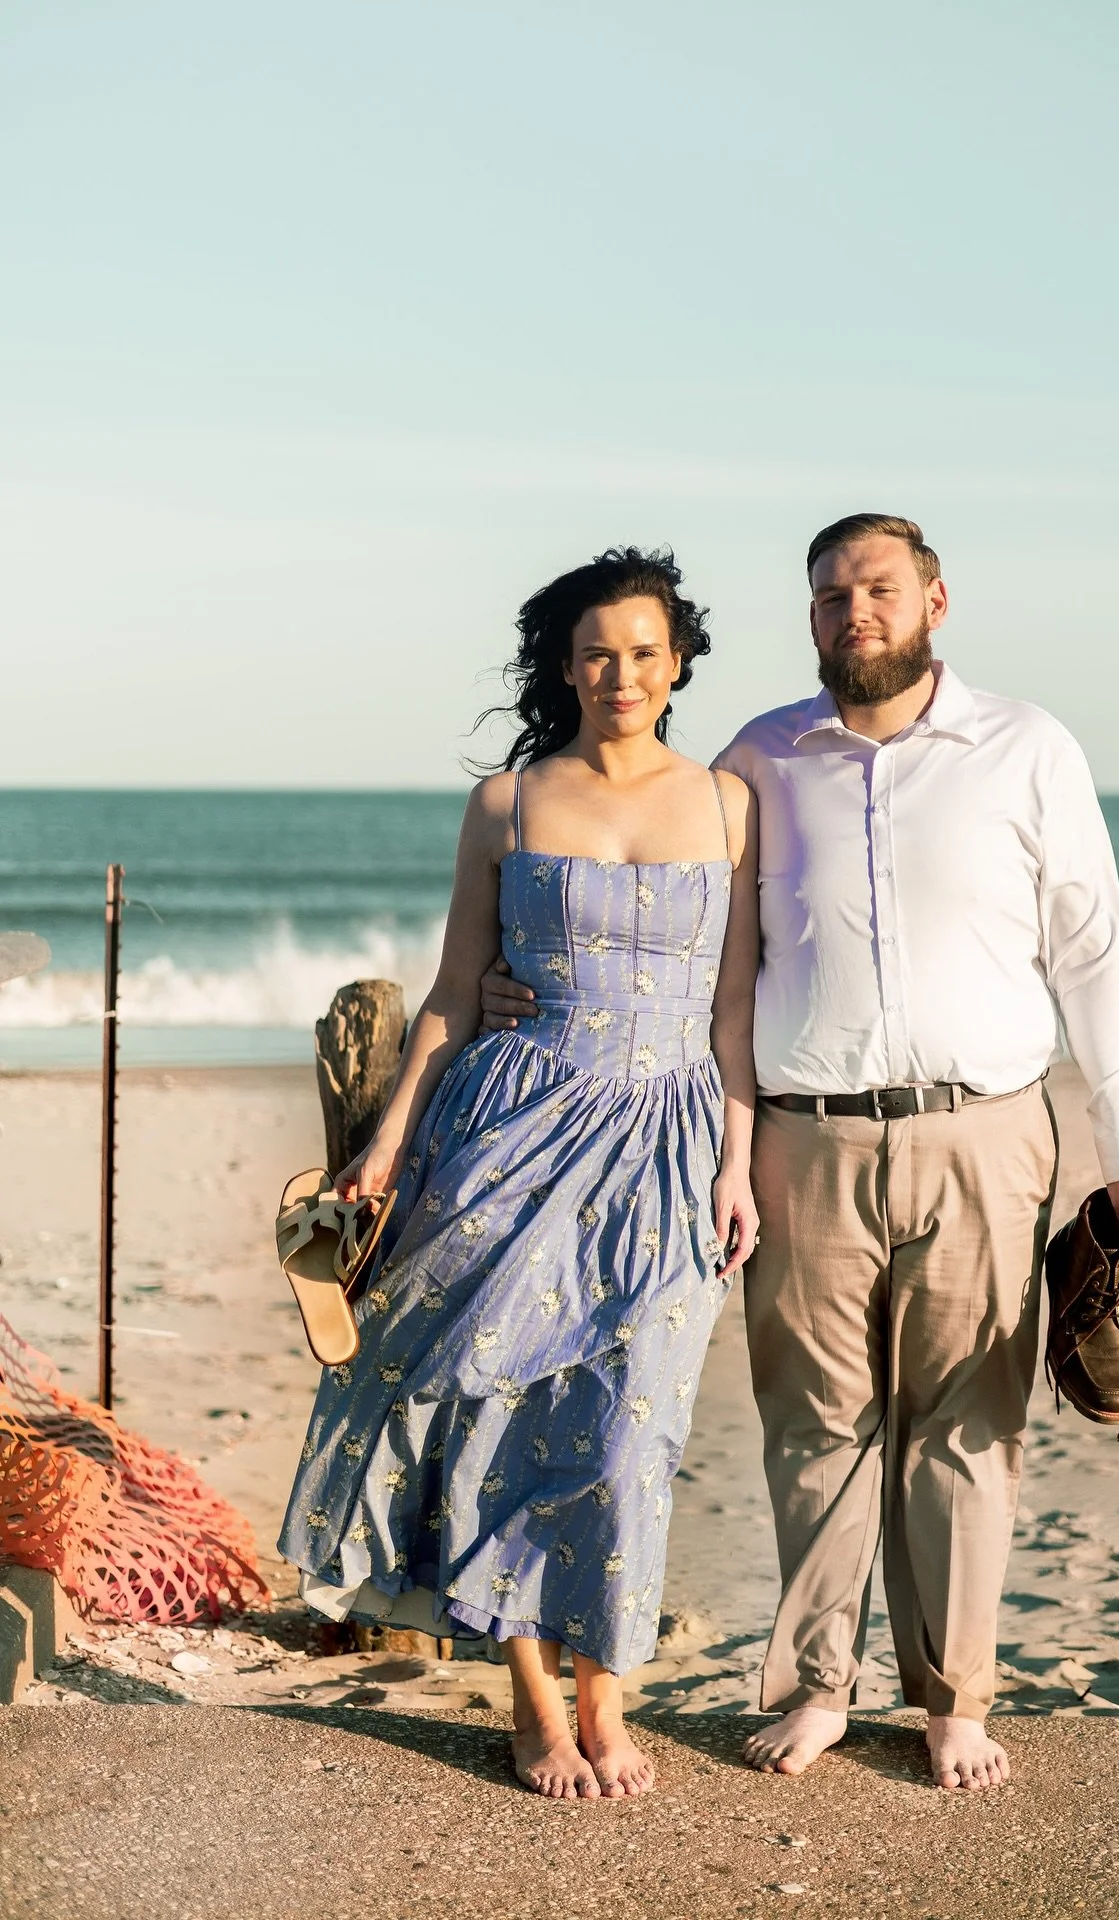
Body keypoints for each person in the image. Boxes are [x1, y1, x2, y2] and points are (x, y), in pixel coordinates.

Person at [482, 513, 1119, 1793]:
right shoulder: (753, 764)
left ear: (934, 600)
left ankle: (955, 1700)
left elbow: (1092, 948)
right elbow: (687, 949)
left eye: (878, 589)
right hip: (802, 1140)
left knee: (968, 1425)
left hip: (985, 1130)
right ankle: (817, 1690)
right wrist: (509, 989)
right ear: (808, 617)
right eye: (828, 595)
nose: (854, 611)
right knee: (814, 1429)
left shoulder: (1027, 747)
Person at [278, 546, 759, 1802]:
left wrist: (738, 1167)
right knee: (499, 1415)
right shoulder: (509, 802)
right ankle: (540, 1707)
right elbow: (450, 993)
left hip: (670, 1142)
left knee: (628, 1431)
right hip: (515, 1123)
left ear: (678, 663)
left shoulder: (728, 802)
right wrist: (385, 1148)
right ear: (565, 663)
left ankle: (613, 1694)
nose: (622, 674)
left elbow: (735, 1017)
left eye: (645, 652)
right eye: (598, 651)